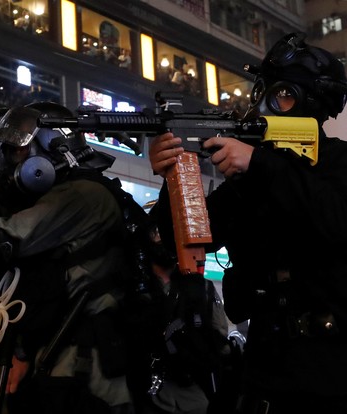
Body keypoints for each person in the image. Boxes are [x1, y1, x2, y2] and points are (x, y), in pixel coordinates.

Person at [0, 102, 147, 414]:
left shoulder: (83, 193)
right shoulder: (62, 195)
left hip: (86, 360)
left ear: (52, 147)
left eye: (17, 151)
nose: (7, 161)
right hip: (57, 351)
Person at [147, 32, 347, 413]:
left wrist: (259, 164)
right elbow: (175, 243)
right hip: (266, 368)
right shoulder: (250, 182)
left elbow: (335, 219)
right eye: (263, 93)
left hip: (333, 372)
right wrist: (175, 174)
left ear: (312, 105)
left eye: (282, 95)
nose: (264, 107)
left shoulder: (337, 163)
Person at [124, 218, 231, 414]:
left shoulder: (201, 288)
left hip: (190, 392)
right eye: (158, 234)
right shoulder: (134, 287)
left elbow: (219, 340)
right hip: (142, 391)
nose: (162, 240)